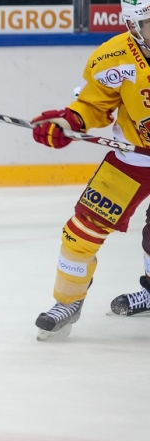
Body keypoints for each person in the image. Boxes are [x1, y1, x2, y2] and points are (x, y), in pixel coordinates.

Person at [30, 0, 150, 340]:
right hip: (134, 157)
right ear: (133, 27)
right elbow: (93, 104)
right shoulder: (113, 59)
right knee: (82, 229)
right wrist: (70, 122)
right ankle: (67, 302)